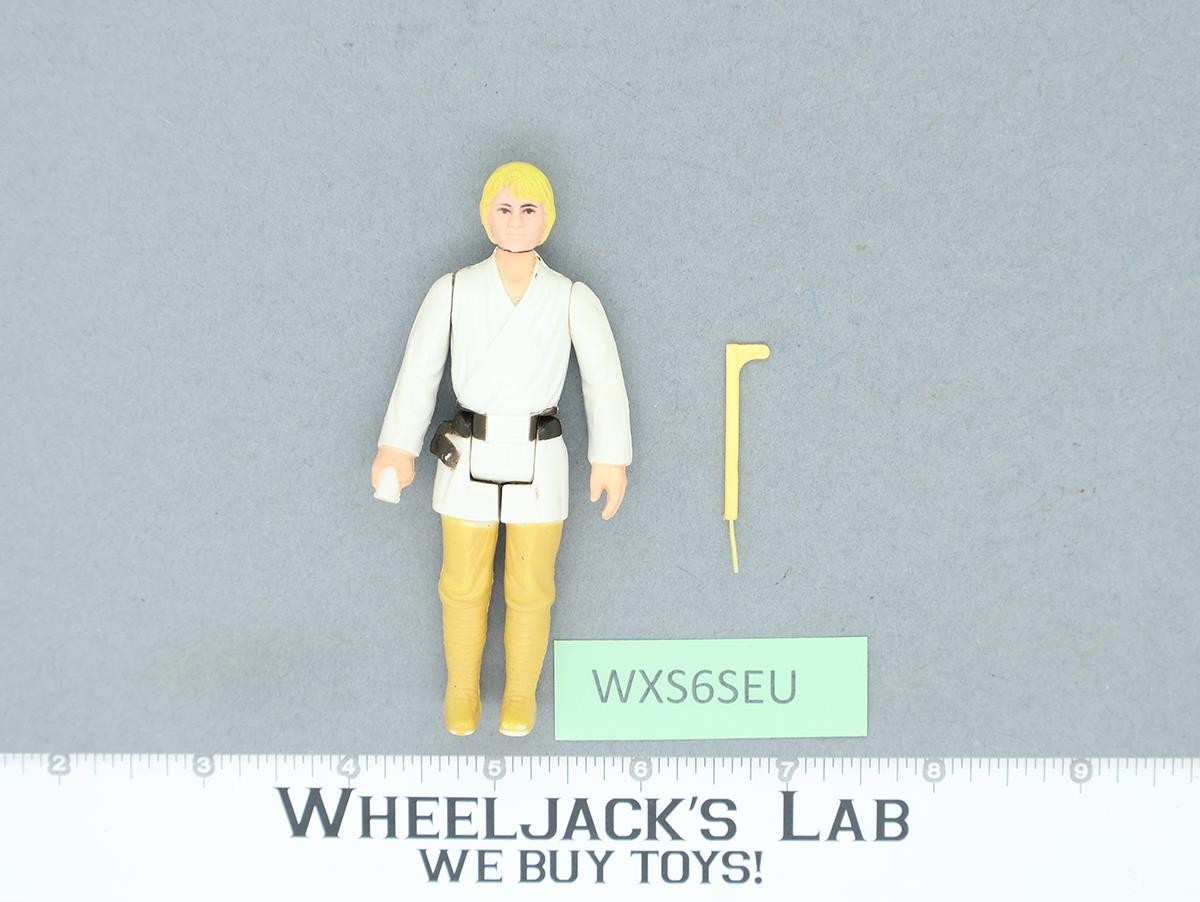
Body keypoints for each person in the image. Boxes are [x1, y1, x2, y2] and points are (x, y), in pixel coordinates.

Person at [372, 161, 632, 736]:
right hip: (469, 451)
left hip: (539, 456)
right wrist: (398, 446)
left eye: (528, 210)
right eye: (505, 209)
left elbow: (603, 379)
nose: (516, 221)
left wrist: (610, 456)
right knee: (461, 584)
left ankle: (520, 693)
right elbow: (419, 371)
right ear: (486, 216)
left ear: (548, 220)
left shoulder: (571, 297)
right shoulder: (453, 290)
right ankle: (461, 688)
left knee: (531, 587)